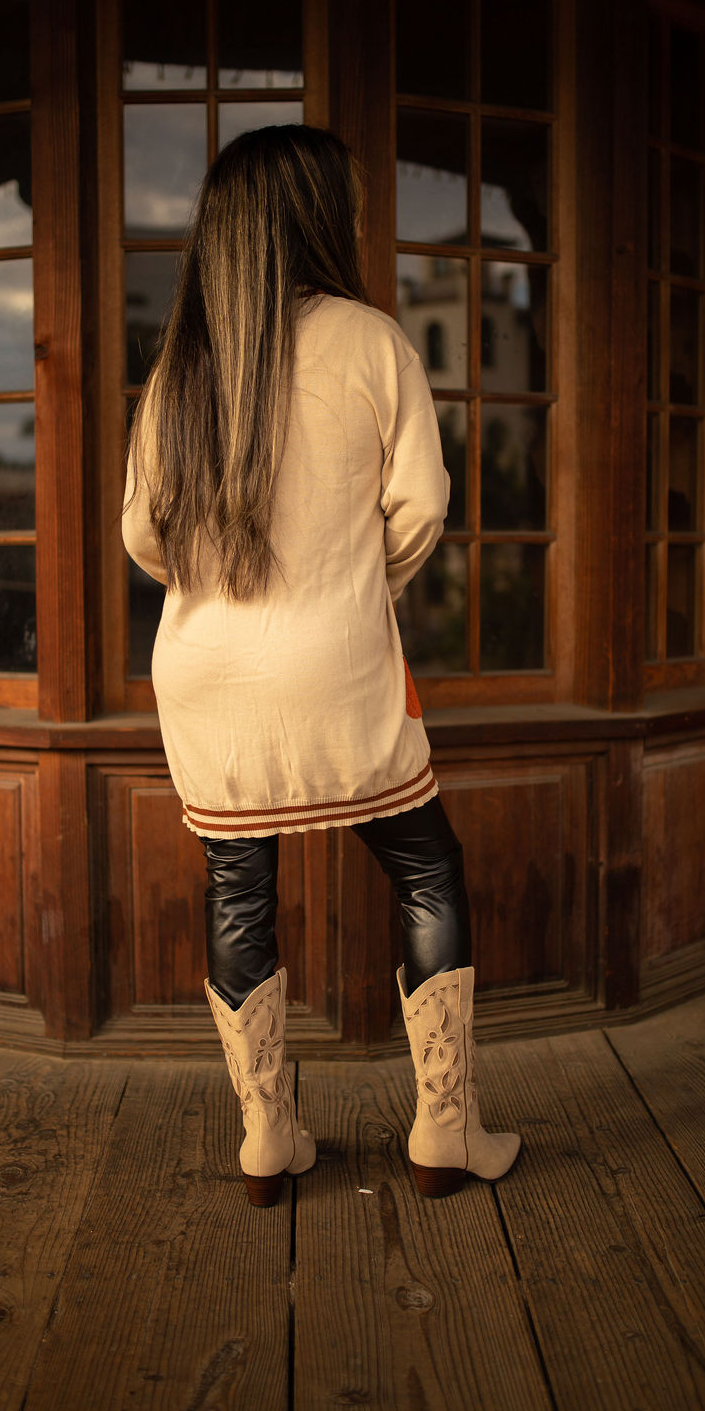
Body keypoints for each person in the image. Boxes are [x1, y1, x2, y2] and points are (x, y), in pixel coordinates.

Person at [122, 124, 520, 1206]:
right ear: (309, 215)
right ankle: (446, 1129)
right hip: (338, 660)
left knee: (240, 890)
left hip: (204, 673)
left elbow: (141, 540)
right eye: (344, 201)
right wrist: (357, 587)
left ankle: (267, 1142)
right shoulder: (372, 340)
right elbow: (424, 506)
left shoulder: (180, 369)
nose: (353, 218)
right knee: (425, 865)